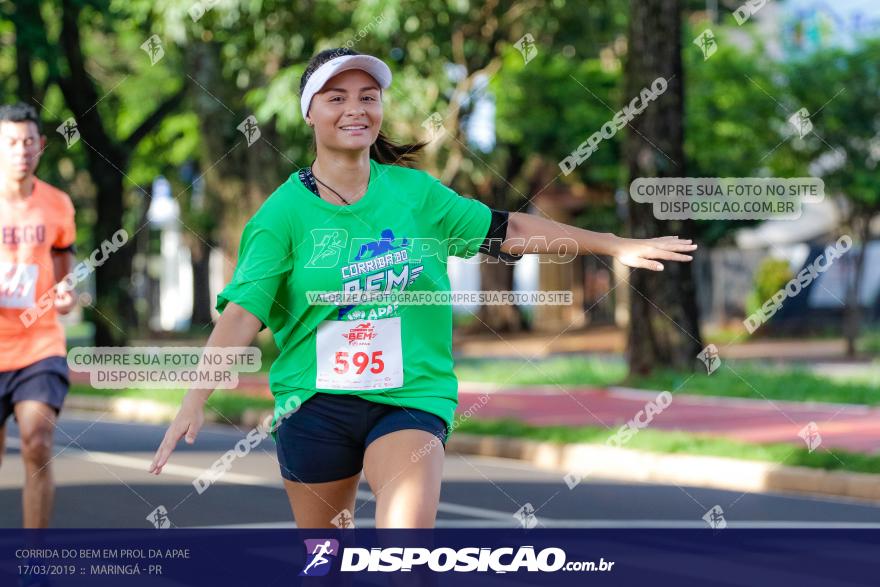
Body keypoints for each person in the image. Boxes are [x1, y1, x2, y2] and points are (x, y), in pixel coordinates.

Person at [150, 48, 697, 528]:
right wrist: (194, 399)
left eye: (368, 96)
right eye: (336, 98)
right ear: (309, 113)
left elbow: (511, 230)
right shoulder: (281, 216)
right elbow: (244, 312)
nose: (355, 109)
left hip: (411, 396)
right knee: (326, 561)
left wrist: (612, 244)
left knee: (405, 554)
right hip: (313, 402)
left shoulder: (416, 195)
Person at [0, 103, 77, 528]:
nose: (20, 150)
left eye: (28, 141)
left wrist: (66, 294)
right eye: (10, 142)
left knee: (37, 440)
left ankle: (35, 564)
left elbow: (65, 272)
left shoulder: (57, 205)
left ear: (41, 146)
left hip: (38, 345)